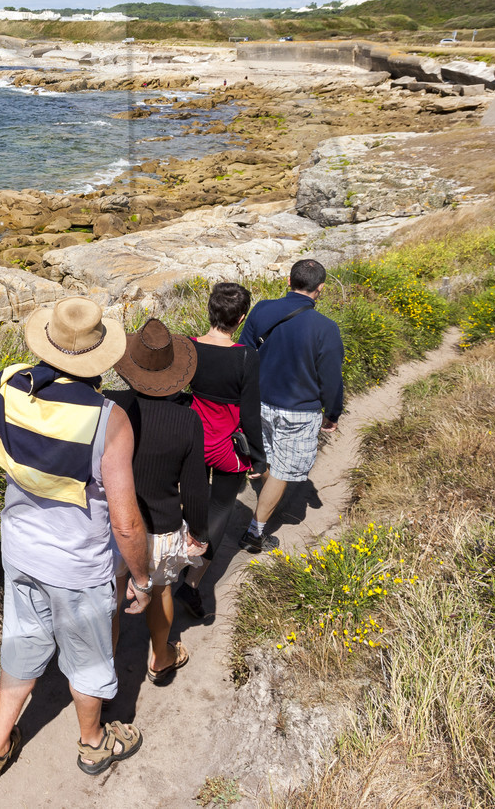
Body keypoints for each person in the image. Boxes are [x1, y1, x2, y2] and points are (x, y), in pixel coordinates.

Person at [0, 296, 152, 784]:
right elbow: (126, 523)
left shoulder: (8, 387)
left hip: (22, 554)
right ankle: (93, 745)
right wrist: (141, 577)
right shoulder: (108, 419)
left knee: (22, 645)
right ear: (98, 356)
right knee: (88, 658)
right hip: (78, 569)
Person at [106, 318, 213, 686]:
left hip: (110, 521)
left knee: (114, 598)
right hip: (160, 525)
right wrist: (199, 531)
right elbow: (196, 487)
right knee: (161, 588)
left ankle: (104, 673)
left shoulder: (108, 405)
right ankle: (161, 656)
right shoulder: (186, 420)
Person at [236, 259, 344, 554]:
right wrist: (332, 413)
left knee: (271, 461)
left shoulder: (261, 309)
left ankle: (267, 495)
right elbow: (331, 378)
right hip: (298, 410)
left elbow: (244, 354)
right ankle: (254, 534)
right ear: (320, 289)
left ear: (289, 280)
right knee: (284, 469)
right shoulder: (326, 328)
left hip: (258, 401)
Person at [174, 281, 265, 617]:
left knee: (189, 499)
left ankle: (174, 559)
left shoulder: (187, 348)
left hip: (191, 439)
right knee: (221, 508)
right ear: (241, 318)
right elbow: (250, 413)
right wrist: (258, 455)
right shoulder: (245, 355)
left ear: (209, 311)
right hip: (227, 447)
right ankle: (193, 583)